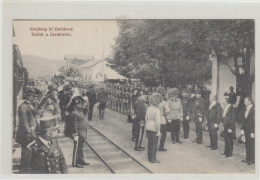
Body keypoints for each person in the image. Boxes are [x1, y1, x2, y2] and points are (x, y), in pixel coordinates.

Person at [15, 88, 38, 173]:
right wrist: (29, 132)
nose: (33, 97)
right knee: (26, 152)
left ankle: (29, 169)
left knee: (30, 151)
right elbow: (24, 123)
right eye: (32, 96)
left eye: (34, 96)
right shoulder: (22, 106)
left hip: (31, 132)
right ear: (27, 96)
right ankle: (24, 171)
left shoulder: (30, 105)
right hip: (26, 134)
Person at [70, 96, 90, 168]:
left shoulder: (80, 112)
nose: (82, 105)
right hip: (78, 133)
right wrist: (75, 135)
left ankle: (81, 160)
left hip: (82, 133)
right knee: (77, 149)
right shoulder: (74, 113)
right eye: (81, 104)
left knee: (80, 148)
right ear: (76, 105)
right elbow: (74, 125)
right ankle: (76, 163)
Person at [145, 93, 162, 163]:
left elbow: (146, 118)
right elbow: (157, 122)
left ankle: (149, 158)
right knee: (154, 144)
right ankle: (153, 159)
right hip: (154, 128)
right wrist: (158, 130)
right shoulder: (157, 110)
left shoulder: (148, 109)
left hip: (148, 126)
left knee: (149, 144)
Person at [241, 97, 255, 165]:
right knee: (247, 144)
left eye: (245, 101)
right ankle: (247, 158)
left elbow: (255, 122)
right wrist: (242, 129)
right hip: (246, 129)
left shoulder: (254, 109)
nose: (244, 103)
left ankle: (252, 160)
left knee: (251, 145)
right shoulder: (246, 109)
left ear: (250, 101)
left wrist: (253, 132)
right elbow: (244, 120)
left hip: (251, 130)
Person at [156, 87, 170, 151]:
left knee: (156, 133)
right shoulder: (164, 102)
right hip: (162, 119)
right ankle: (161, 146)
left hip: (155, 119)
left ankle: (154, 146)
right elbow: (168, 111)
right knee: (163, 134)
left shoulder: (154, 101)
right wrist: (165, 115)